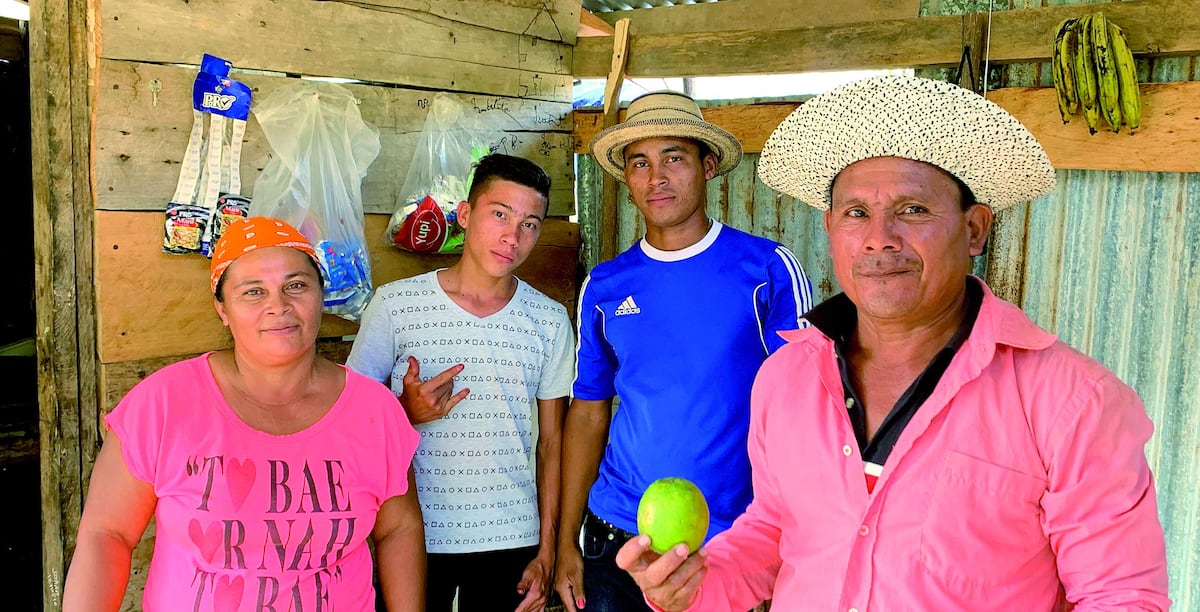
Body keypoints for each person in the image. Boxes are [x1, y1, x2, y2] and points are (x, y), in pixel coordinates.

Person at [617, 75, 1172, 611]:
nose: (880, 238)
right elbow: (774, 532)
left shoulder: (1073, 401)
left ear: (975, 229)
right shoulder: (786, 378)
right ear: (832, 229)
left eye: (912, 210)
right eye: (857, 214)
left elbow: (1120, 597)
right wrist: (697, 586)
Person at [63, 217, 425, 611]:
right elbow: (107, 534)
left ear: (321, 293)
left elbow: (398, 529)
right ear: (222, 309)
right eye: (253, 292)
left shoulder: (375, 410)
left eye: (296, 285)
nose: (278, 306)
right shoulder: (163, 404)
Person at [555, 90, 813, 612]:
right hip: (616, 536)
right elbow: (588, 413)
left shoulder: (766, 270)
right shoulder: (605, 286)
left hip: (727, 541)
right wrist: (565, 543)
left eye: (674, 156)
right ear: (626, 181)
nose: (657, 177)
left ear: (708, 165)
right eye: (639, 163)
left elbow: (806, 410)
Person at [348, 154, 573, 612]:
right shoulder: (395, 305)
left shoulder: (549, 320)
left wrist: (548, 550)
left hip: (511, 534)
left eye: (530, 224)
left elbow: (552, 443)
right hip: (408, 531)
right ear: (466, 215)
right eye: (500, 215)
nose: (513, 236)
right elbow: (349, 418)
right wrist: (404, 411)